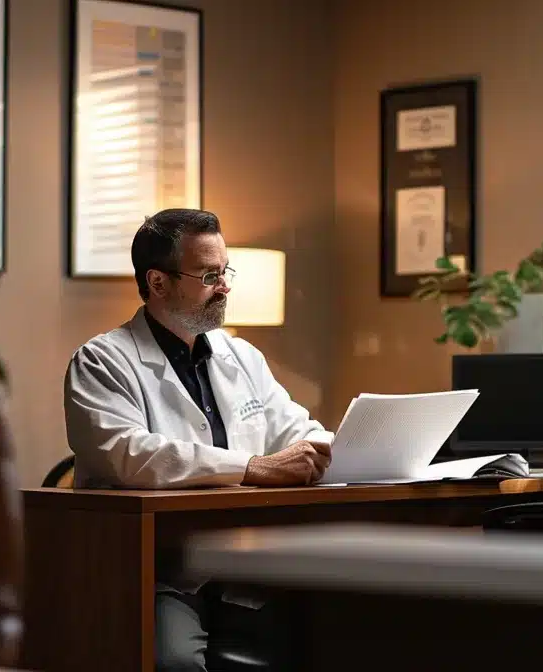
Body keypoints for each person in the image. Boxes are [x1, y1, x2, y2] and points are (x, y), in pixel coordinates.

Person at [64, 208, 329, 671]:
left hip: (248, 561)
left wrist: (335, 449)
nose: (224, 286)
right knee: (176, 663)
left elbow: (296, 430)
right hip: (155, 569)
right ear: (158, 282)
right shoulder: (102, 362)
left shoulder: (242, 356)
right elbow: (131, 456)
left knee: (353, 632)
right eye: (209, 275)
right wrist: (252, 467)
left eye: (224, 271)